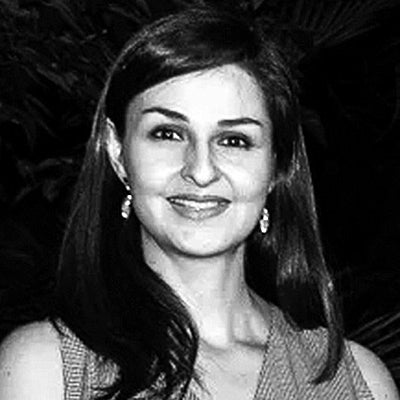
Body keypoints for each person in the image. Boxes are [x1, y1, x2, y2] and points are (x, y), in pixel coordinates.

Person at [0, 6, 398, 400]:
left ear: (276, 166)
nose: (201, 170)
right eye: (168, 133)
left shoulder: (357, 381)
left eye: (234, 140)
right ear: (118, 152)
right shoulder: (45, 368)